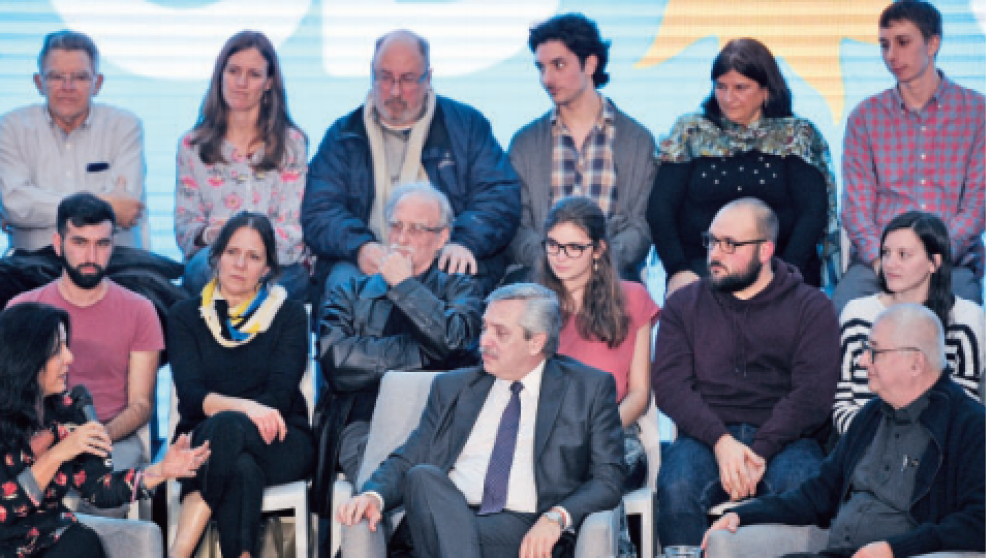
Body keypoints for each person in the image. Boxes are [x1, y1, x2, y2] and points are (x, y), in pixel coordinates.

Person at [336, 283, 625, 558]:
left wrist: (557, 517)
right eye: (485, 327)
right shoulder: (453, 388)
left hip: (524, 529)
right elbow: (409, 459)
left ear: (536, 342)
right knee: (423, 477)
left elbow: (608, 479)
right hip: (443, 514)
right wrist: (374, 496)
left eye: (500, 332)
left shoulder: (587, 389)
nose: (484, 341)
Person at [703, 304, 985, 558]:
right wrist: (743, 515)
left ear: (916, 363)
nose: (862, 361)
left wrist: (894, 550)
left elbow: (981, 521)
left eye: (874, 351)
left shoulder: (970, 425)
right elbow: (816, 496)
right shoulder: (871, 415)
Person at [652, 197, 840, 549]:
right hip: (706, 436)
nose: (715, 254)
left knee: (805, 484)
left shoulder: (812, 306)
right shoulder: (683, 304)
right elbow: (670, 386)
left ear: (766, 250)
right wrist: (722, 443)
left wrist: (761, 451)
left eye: (730, 244)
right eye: (711, 241)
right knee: (676, 486)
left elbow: (813, 395)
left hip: (788, 438)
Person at [302, 29, 520, 298]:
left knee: (459, 289)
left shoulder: (466, 127)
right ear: (371, 73)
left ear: (428, 78)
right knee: (343, 289)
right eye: (385, 77)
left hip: (443, 254)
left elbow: (499, 197)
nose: (394, 91)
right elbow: (320, 210)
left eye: (406, 80)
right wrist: (360, 248)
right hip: (370, 258)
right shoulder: (343, 135)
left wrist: (463, 241)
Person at [311, 182, 483, 516]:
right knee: (385, 490)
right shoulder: (349, 292)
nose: (402, 238)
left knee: (432, 491)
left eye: (417, 228)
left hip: (438, 427)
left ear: (443, 237)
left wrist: (406, 287)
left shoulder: (461, 288)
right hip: (365, 423)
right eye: (396, 226)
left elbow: (455, 339)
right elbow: (337, 362)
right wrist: (422, 354)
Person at [0, 302, 209, 558]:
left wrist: (161, 470)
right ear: (26, 360)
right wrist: (56, 455)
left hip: (49, 538)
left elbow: (100, 489)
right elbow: (4, 509)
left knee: (81, 542)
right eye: (57, 350)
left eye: (67, 346)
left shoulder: (68, 410)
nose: (70, 358)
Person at [7, 192, 164, 519]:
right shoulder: (22, 309)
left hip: (110, 437)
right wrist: (55, 445)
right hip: (34, 441)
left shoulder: (140, 310)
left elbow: (141, 404)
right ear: (57, 243)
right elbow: (8, 394)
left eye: (102, 244)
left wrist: (91, 437)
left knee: (105, 494)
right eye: (79, 242)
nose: (91, 255)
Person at [167, 213, 315, 558]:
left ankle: (177, 553)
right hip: (204, 436)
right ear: (215, 256)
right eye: (232, 252)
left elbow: (278, 396)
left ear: (267, 268)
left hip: (280, 438)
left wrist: (238, 414)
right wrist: (246, 407)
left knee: (225, 432)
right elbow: (191, 397)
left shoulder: (290, 315)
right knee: (239, 466)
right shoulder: (184, 316)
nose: (240, 264)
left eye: (254, 256)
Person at [646, 37, 836, 292]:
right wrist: (678, 270)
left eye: (740, 87)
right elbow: (661, 209)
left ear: (766, 90)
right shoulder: (690, 132)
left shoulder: (796, 135)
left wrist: (787, 274)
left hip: (779, 269)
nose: (728, 97)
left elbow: (812, 214)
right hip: (702, 269)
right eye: (721, 87)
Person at [834, 0, 985, 312]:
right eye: (884, 45)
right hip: (879, 263)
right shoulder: (865, 117)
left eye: (903, 43)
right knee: (845, 310)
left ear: (933, 43)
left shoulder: (978, 112)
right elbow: (856, 208)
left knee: (964, 318)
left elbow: (978, 205)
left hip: (948, 263)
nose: (892, 55)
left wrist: (930, 257)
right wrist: (885, 259)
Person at [508, 13, 655, 282]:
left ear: (589, 64)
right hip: (542, 280)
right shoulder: (525, 143)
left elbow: (641, 226)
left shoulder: (637, 140)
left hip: (614, 280)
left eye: (558, 65)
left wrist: (599, 263)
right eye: (541, 68)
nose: (546, 79)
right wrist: (557, 261)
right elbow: (517, 226)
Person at [176, 30, 310, 301]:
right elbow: (185, 227)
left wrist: (250, 249)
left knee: (275, 286)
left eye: (254, 74)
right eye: (233, 71)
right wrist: (213, 233)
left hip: (277, 263)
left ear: (269, 82)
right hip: (216, 261)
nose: (241, 82)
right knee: (208, 273)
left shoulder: (292, 143)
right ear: (220, 75)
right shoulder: (192, 145)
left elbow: (293, 229)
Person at [536, 196, 657, 491]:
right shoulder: (533, 305)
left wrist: (597, 436)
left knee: (597, 473)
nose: (560, 256)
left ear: (598, 250)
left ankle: (599, 536)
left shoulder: (632, 298)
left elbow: (639, 394)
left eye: (574, 248)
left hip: (613, 434)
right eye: (553, 245)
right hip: (547, 437)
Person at [834, 211, 983, 436]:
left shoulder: (966, 318)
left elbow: (965, 405)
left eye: (903, 254)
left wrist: (910, 446)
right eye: (886, 253)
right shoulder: (858, 313)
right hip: (864, 442)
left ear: (934, 262)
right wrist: (883, 444)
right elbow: (844, 400)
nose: (889, 264)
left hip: (935, 448)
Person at [0, 30, 145, 252]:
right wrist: (106, 205)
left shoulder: (124, 126)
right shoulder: (10, 127)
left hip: (114, 265)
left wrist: (39, 208)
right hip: (32, 264)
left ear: (98, 84)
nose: (68, 87)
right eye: (56, 77)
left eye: (80, 77)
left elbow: (127, 207)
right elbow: (15, 204)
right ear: (39, 83)